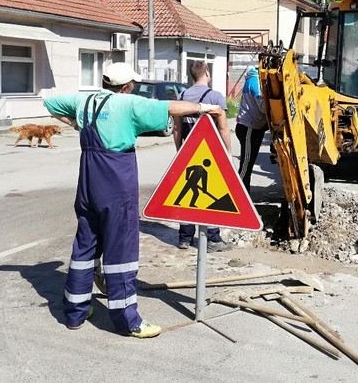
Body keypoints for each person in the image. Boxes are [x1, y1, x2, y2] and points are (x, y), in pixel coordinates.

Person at [43, 62, 223, 338]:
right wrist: (205, 108)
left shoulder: (85, 99)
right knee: (121, 250)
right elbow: (169, 107)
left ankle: (75, 313)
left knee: (85, 245)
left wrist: (78, 122)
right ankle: (128, 320)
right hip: (115, 181)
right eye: (133, 85)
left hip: (88, 179)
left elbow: (51, 102)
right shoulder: (128, 103)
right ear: (126, 87)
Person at [173, 60, 233, 252]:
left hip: (188, 152)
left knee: (188, 195)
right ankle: (213, 239)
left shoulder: (181, 95)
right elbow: (223, 128)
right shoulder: (215, 97)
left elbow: (177, 128)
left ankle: (184, 238)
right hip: (210, 154)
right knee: (211, 194)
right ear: (206, 73)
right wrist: (228, 154)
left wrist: (179, 152)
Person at [236, 67, 268, 193]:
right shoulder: (255, 81)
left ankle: (245, 194)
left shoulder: (252, 80)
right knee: (246, 164)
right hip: (249, 127)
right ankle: (239, 195)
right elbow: (263, 106)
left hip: (252, 126)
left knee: (248, 163)